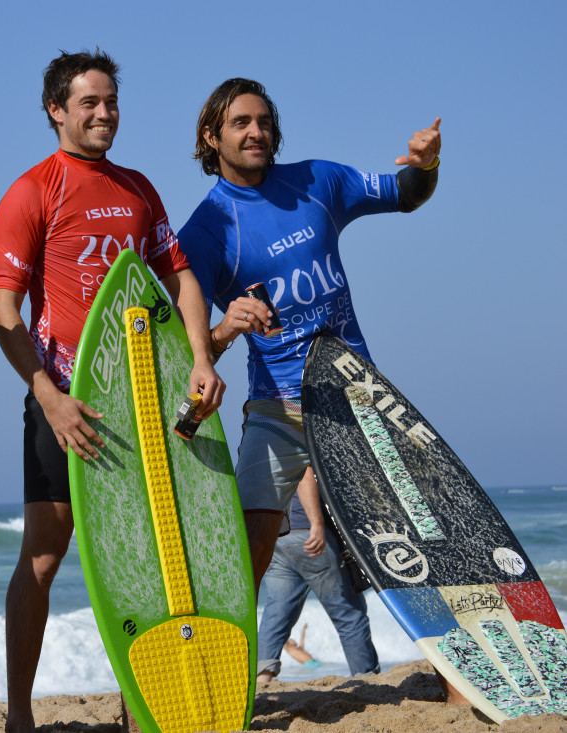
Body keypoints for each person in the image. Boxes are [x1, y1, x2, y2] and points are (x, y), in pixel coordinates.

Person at [0, 49, 225, 733]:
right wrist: (50, 397)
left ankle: (140, 705)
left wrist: (200, 357)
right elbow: (4, 314)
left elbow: (178, 276)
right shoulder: (34, 191)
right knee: (44, 552)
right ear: (56, 110)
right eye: (88, 102)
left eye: (110, 102)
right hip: (64, 395)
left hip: (139, 398)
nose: (103, 113)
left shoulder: (137, 189)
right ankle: (22, 714)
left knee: (150, 553)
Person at [176, 77, 442, 595]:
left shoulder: (318, 181)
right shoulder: (205, 231)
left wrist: (426, 165)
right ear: (212, 138)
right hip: (278, 406)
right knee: (247, 550)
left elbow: (406, 195)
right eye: (241, 123)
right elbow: (192, 349)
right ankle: (233, 672)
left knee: (413, 545)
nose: (256, 133)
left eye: (264, 122)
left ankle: (451, 672)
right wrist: (228, 326)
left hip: (355, 395)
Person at [256, 471, 379, 689]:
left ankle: (262, 681)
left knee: (276, 614)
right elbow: (304, 475)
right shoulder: (301, 436)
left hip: (278, 534)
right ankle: (367, 679)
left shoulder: (264, 441)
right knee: (349, 614)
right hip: (307, 533)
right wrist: (317, 524)